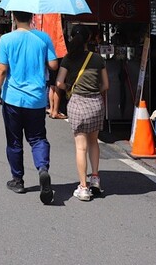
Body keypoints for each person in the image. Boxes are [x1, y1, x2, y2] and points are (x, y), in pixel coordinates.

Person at [0, 10, 59, 204]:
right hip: (36, 99)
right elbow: (53, 65)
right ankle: (42, 168)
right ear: (32, 17)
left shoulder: (7, 39)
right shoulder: (43, 37)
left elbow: (1, 70)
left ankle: (17, 180)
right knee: (37, 138)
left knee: (14, 141)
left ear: (14, 17)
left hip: (13, 99)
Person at [55, 24, 109, 202]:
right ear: (88, 39)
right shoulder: (97, 58)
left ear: (72, 38)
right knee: (94, 142)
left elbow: (59, 83)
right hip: (95, 104)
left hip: (77, 102)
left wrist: (70, 87)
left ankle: (83, 187)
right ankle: (95, 179)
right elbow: (106, 86)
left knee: (81, 147)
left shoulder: (68, 59)